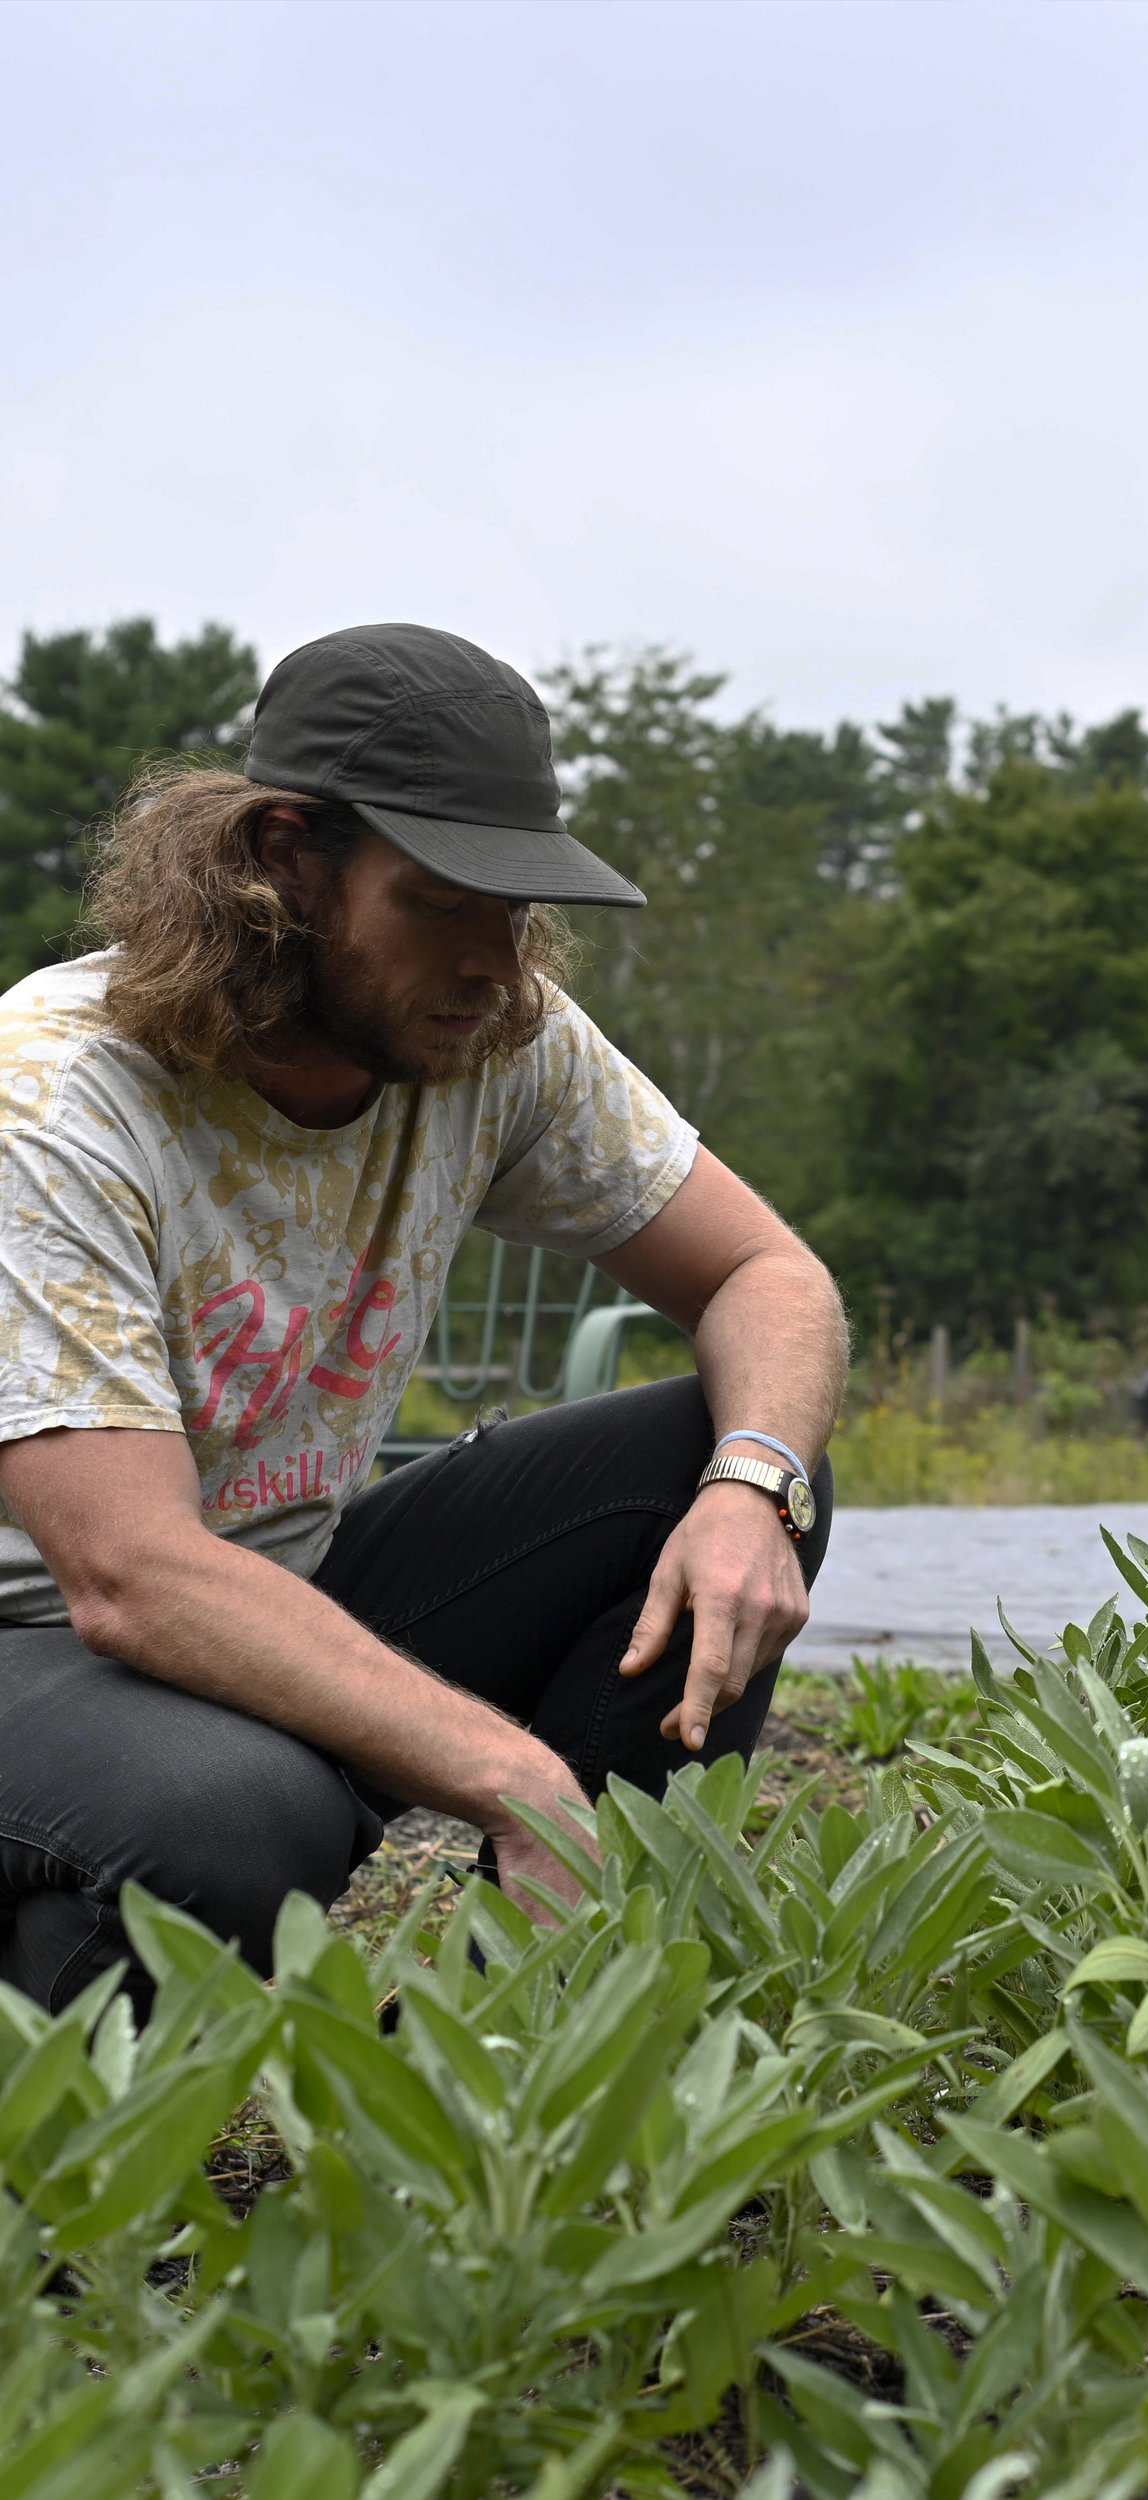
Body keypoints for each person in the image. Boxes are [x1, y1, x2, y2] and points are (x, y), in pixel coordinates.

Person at [0, 622, 847, 2009]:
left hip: (273, 1589)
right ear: (285, 860)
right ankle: (59, 2185)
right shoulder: (56, 1099)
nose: (495, 960)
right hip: (35, 1650)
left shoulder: (490, 1034)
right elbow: (127, 1577)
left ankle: (506, 2059)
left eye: (518, 908)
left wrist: (754, 1490)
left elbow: (773, 1279)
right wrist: (507, 1771)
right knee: (238, 1806)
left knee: (709, 1458)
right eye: (445, 900)